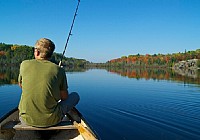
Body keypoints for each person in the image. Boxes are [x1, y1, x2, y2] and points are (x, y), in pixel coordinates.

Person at [18, 38, 80, 127]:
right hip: (52, 121)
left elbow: (21, 85)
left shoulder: (24, 64)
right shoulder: (59, 70)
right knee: (75, 95)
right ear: (50, 54)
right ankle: (72, 118)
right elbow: (64, 98)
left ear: (37, 52)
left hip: (25, 120)